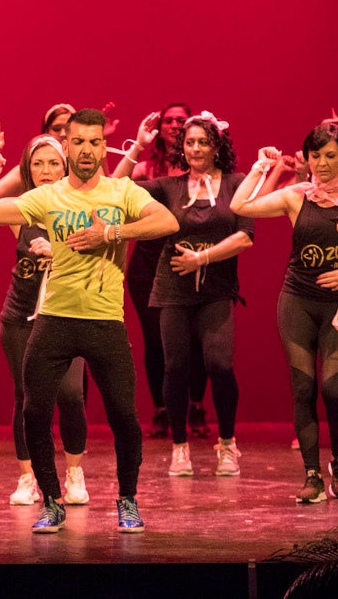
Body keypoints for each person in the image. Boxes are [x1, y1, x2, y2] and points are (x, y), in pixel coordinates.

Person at [0, 108, 178, 534]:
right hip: (54, 318)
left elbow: (167, 220)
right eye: (79, 141)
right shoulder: (48, 197)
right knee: (34, 413)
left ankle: (128, 500)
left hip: (105, 321)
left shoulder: (121, 190)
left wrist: (110, 234)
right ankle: (51, 502)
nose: (87, 149)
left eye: (95, 141)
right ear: (66, 144)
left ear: (103, 145)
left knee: (124, 416)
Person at [231, 119, 338, 503]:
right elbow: (239, 205)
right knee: (303, 388)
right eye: (315, 156)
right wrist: (260, 168)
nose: (322, 163)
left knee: (334, 389)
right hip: (298, 301)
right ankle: (313, 475)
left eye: (330, 155)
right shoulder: (296, 195)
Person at [0, 135, 89, 506]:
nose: (46, 171)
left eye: (53, 163)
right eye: (37, 165)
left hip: (69, 314)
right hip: (21, 316)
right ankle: (28, 477)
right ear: (28, 171)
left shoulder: (84, 207)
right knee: (26, 398)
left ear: (66, 166)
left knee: (71, 395)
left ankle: (75, 473)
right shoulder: (24, 208)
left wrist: (58, 251)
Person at [136, 112, 254, 476]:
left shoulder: (237, 183)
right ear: (181, 149)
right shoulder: (168, 187)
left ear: (217, 145)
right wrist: (138, 145)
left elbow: (245, 236)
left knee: (219, 365)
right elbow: (115, 185)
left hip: (216, 289)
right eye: (190, 142)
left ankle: (228, 444)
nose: (196, 148)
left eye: (204, 141)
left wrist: (203, 257)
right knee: (176, 368)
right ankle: (179, 447)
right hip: (173, 288)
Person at [113, 104, 214, 438]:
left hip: (192, 257)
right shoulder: (147, 167)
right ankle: (163, 410)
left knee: (198, 340)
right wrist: (138, 144)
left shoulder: (206, 170)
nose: (173, 125)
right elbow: (115, 187)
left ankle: (196, 406)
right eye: (168, 120)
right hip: (148, 262)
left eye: (180, 120)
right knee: (157, 341)